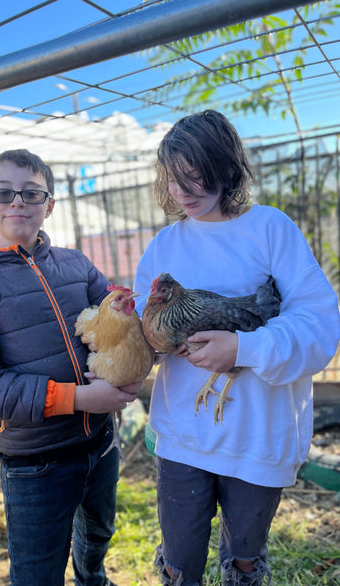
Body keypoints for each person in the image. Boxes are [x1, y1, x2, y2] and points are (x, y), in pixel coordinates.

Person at [133, 110, 340, 586]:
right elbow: (144, 333)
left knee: (245, 560)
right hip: (183, 436)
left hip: (256, 438)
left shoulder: (271, 229)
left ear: (229, 170)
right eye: (173, 179)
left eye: (196, 177)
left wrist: (243, 349)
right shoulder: (165, 245)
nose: (183, 192)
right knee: (179, 559)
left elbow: (319, 325)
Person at [0, 149, 140, 586]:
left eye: (32, 193)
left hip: (101, 441)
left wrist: (140, 352)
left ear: (49, 206)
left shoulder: (76, 264)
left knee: (98, 536)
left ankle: (94, 580)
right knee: (37, 573)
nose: (18, 202)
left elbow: (116, 324)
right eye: (4, 192)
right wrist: (82, 397)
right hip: (36, 461)